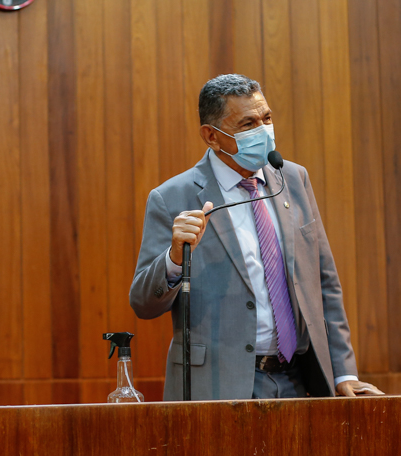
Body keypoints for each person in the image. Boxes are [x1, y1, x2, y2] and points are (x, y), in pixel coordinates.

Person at [129, 74, 383, 400]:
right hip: (218, 386)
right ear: (211, 136)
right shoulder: (172, 197)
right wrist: (175, 258)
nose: (263, 131)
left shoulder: (292, 179)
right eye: (248, 124)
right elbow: (143, 303)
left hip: (299, 379)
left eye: (266, 118)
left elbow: (324, 283)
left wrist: (343, 371)